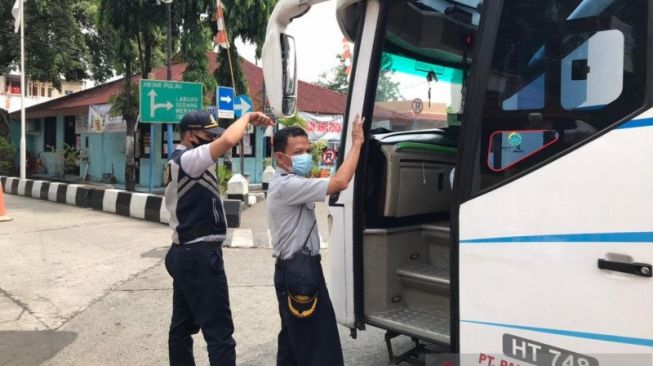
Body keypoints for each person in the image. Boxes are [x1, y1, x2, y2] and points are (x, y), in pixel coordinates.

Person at [164, 109, 273, 366]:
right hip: (198, 256)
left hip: (186, 254)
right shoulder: (188, 159)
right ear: (191, 136)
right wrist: (247, 118)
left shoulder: (185, 160)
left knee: (181, 328)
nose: (212, 139)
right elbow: (227, 141)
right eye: (207, 134)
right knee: (220, 335)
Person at [267, 115, 365, 366]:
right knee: (319, 347)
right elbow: (341, 182)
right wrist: (356, 144)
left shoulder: (290, 182)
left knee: (293, 341)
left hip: (294, 271)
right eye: (298, 152)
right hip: (300, 274)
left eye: (308, 150)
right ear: (280, 157)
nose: (306, 156)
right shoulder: (288, 185)